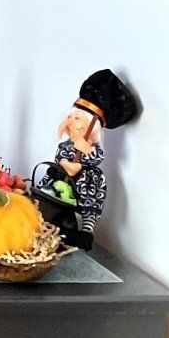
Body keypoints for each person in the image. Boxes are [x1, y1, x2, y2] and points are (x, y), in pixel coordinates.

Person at [37, 68, 141, 243]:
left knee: (90, 199)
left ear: (93, 129)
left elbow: (96, 158)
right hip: (62, 175)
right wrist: (65, 163)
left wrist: (84, 152)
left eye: (77, 119)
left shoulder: (93, 150)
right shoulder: (66, 146)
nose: (70, 122)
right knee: (49, 192)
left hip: (85, 182)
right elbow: (61, 156)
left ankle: (86, 229)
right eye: (70, 116)